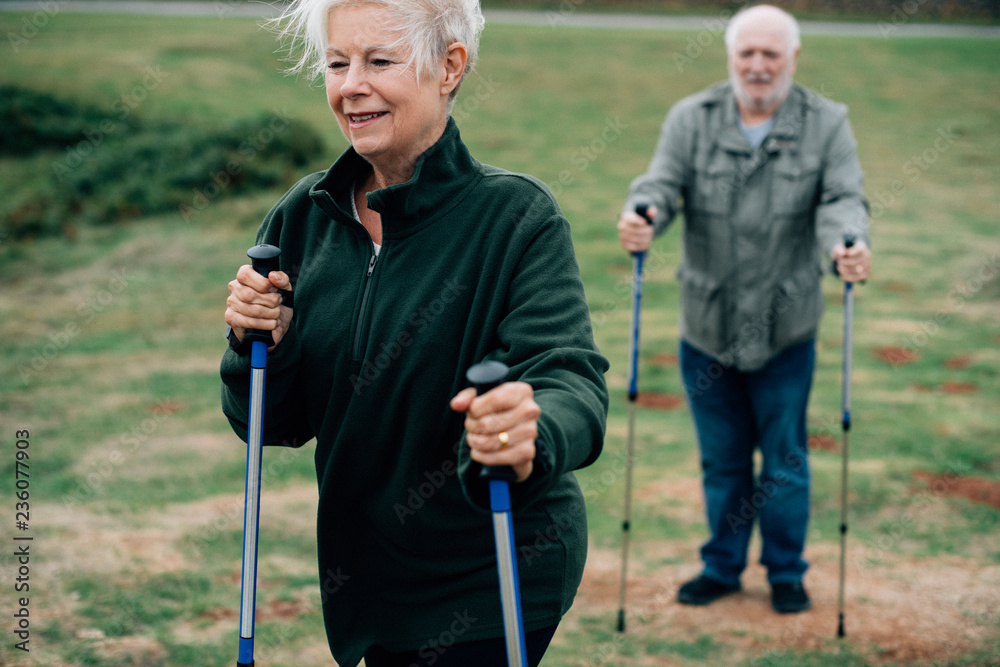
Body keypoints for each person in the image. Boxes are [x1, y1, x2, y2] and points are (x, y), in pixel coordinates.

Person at [220, 0, 609, 664]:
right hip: (365, 583)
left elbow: (570, 378)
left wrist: (529, 430)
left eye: (380, 60)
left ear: (449, 66)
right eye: (337, 63)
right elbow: (270, 421)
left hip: (493, 576)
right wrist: (260, 345)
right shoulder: (302, 219)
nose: (350, 86)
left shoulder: (517, 218)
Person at [617, 4, 871, 614]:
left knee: (784, 460)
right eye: (746, 55)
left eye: (771, 55)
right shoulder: (691, 118)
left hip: (788, 328)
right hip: (707, 328)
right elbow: (660, 183)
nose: (758, 67)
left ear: (792, 59)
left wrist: (847, 242)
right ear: (731, 57)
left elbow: (843, 198)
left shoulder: (827, 123)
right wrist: (642, 212)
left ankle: (786, 571)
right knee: (721, 460)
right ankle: (721, 566)